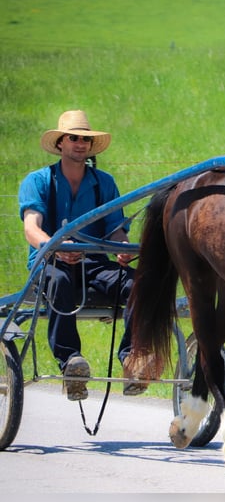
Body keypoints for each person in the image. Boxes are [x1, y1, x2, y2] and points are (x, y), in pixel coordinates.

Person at [18, 110, 149, 400]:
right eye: (73, 138)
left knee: (139, 282)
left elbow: (116, 231)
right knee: (60, 282)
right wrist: (56, 248)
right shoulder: (39, 181)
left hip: (94, 264)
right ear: (60, 144)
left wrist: (122, 249)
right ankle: (71, 362)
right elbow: (32, 229)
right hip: (49, 262)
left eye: (85, 140)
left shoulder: (104, 183)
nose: (80, 144)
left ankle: (131, 357)